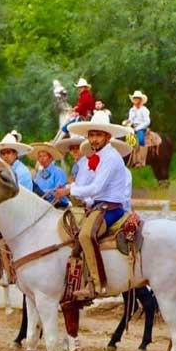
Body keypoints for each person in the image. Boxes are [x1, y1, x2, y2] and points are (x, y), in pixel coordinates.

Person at [53, 112, 133, 300]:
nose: (94, 139)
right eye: (91, 135)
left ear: (107, 136)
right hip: (99, 205)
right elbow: (95, 190)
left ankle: (97, 285)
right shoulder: (100, 156)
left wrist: (69, 190)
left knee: (86, 235)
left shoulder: (110, 158)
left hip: (110, 209)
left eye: (98, 135)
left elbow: (97, 188)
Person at [31, 143, 68, 207]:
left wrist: (44, 193)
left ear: (51, 158)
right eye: (40, 156)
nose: (41, 158)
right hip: (42, 201)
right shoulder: (39, 173)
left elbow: (59, 190)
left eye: (44, 156)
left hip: (57, 204)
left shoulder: (58, 171)